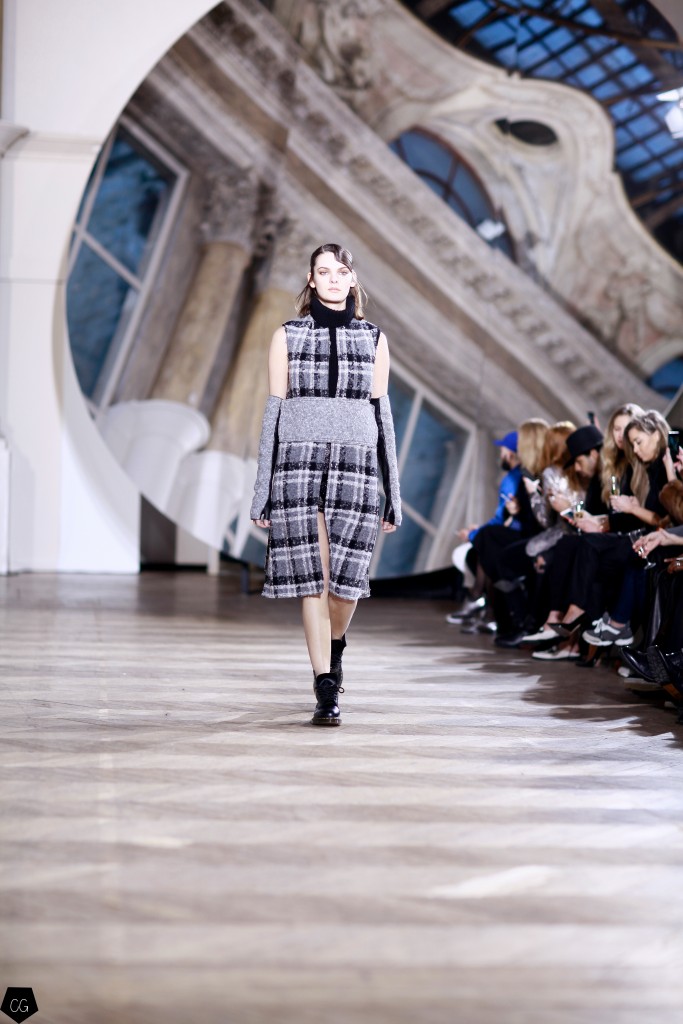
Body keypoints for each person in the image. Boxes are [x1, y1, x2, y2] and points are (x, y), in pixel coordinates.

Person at [250, 243, 401, 727]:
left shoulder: (374, 339)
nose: (333, 278)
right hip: (298, 465)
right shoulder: (288, 335)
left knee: (347, 583)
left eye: (341, 271)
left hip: (357, 467)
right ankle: (325, 684)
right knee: (312, 580)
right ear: (311, 280)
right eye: (323, 271)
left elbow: (382, 415)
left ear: (352, 279)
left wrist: (393, 494)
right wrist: (262, 490)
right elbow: (273, 415)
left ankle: (335, 648)